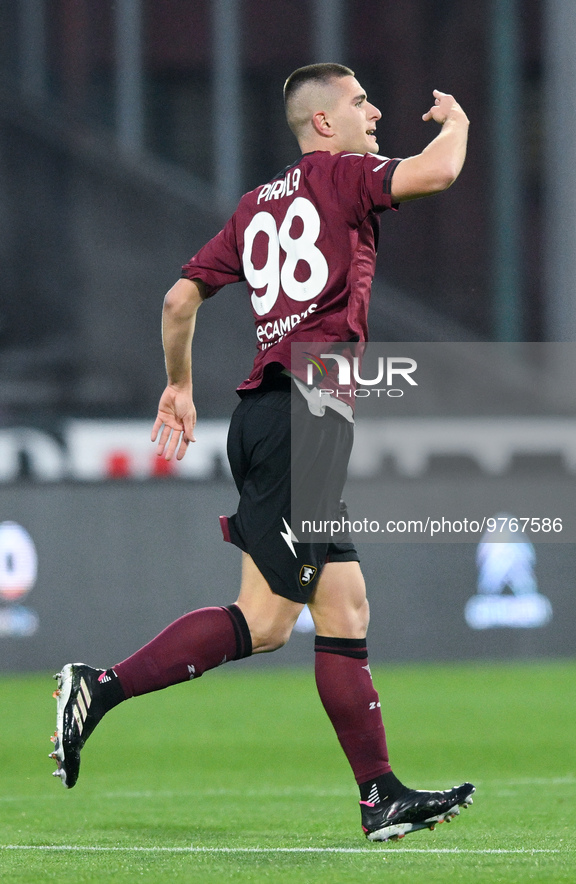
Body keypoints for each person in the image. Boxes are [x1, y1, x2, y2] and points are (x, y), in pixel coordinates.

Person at [49, 63, 474, 842]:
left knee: (314, 610)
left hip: (274, 416)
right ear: (321, 124)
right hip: (300, 418)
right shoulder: (343, 175)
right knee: (279, 614)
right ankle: (98, 689)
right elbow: (440, 172)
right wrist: (458, 122)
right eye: (358, 102)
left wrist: (177, 386)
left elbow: (181, 297)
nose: (373, 112)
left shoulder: (255, 206)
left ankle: (379, 796)